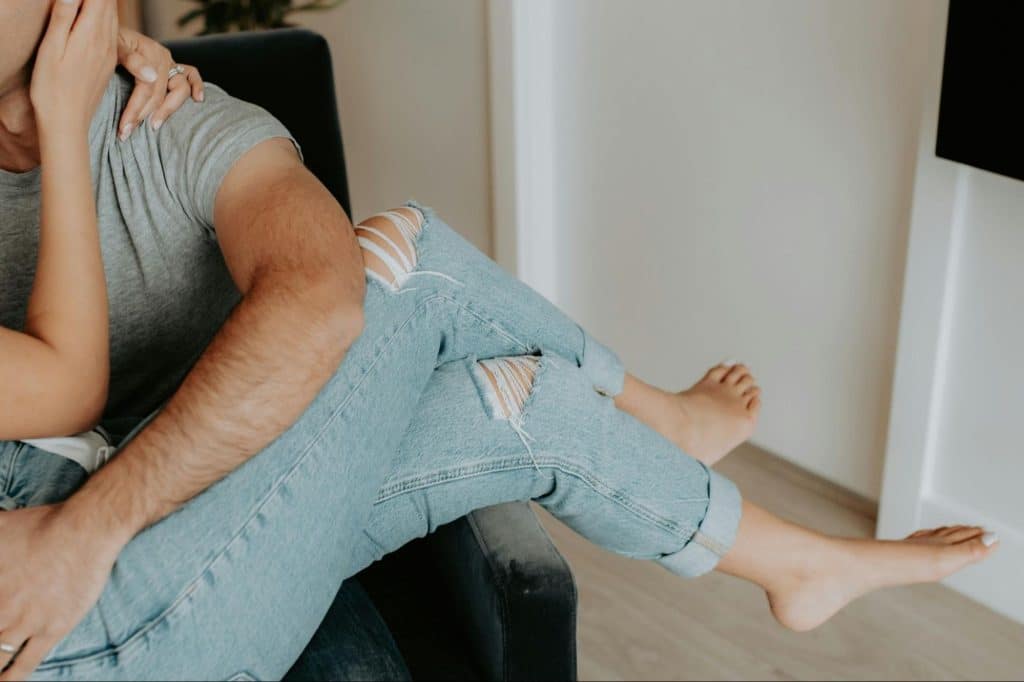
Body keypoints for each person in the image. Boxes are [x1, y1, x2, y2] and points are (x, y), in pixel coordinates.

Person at [0, 2, 998, 680]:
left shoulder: (169, 118)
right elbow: (78, 381)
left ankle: (798, 564)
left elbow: (89, 379)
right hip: (90, 632)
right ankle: (664, 418)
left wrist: (73, 89)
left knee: (511, 392)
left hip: (133, 528)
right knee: (408, 255)